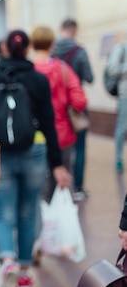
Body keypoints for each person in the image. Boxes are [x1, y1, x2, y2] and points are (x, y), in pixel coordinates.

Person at [0, 30, 70, 287]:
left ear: (5, 48)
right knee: (27, 212)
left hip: (2, 154)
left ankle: (7, 261)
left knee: (2, 213)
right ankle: (24, 273)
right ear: (28, 49)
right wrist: (57, 164)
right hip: (34, 151)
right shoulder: (37, 80)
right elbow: (49, 121)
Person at [30, 26, 87, 203]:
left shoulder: (27, 71)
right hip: (62, 135)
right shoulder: (63, 69)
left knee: (37, 187)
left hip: (34, 137)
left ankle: (41, 221)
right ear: (52, 45)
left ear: (32, 45)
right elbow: (80, 101)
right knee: (61, 181)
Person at [52, 18, 94, 200]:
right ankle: (77, 188)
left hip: (56, 107)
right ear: (74, 30)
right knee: (80, 148)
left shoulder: (52, 51)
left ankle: (56, 186)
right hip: (75, 108)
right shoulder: (79, 50)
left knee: (58, 144)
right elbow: (90, 77)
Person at [106, 41, 127, 174]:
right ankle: (118, 158)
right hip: (125, 95)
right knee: (123, 127)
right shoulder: (121, 48)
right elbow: (112, 69)